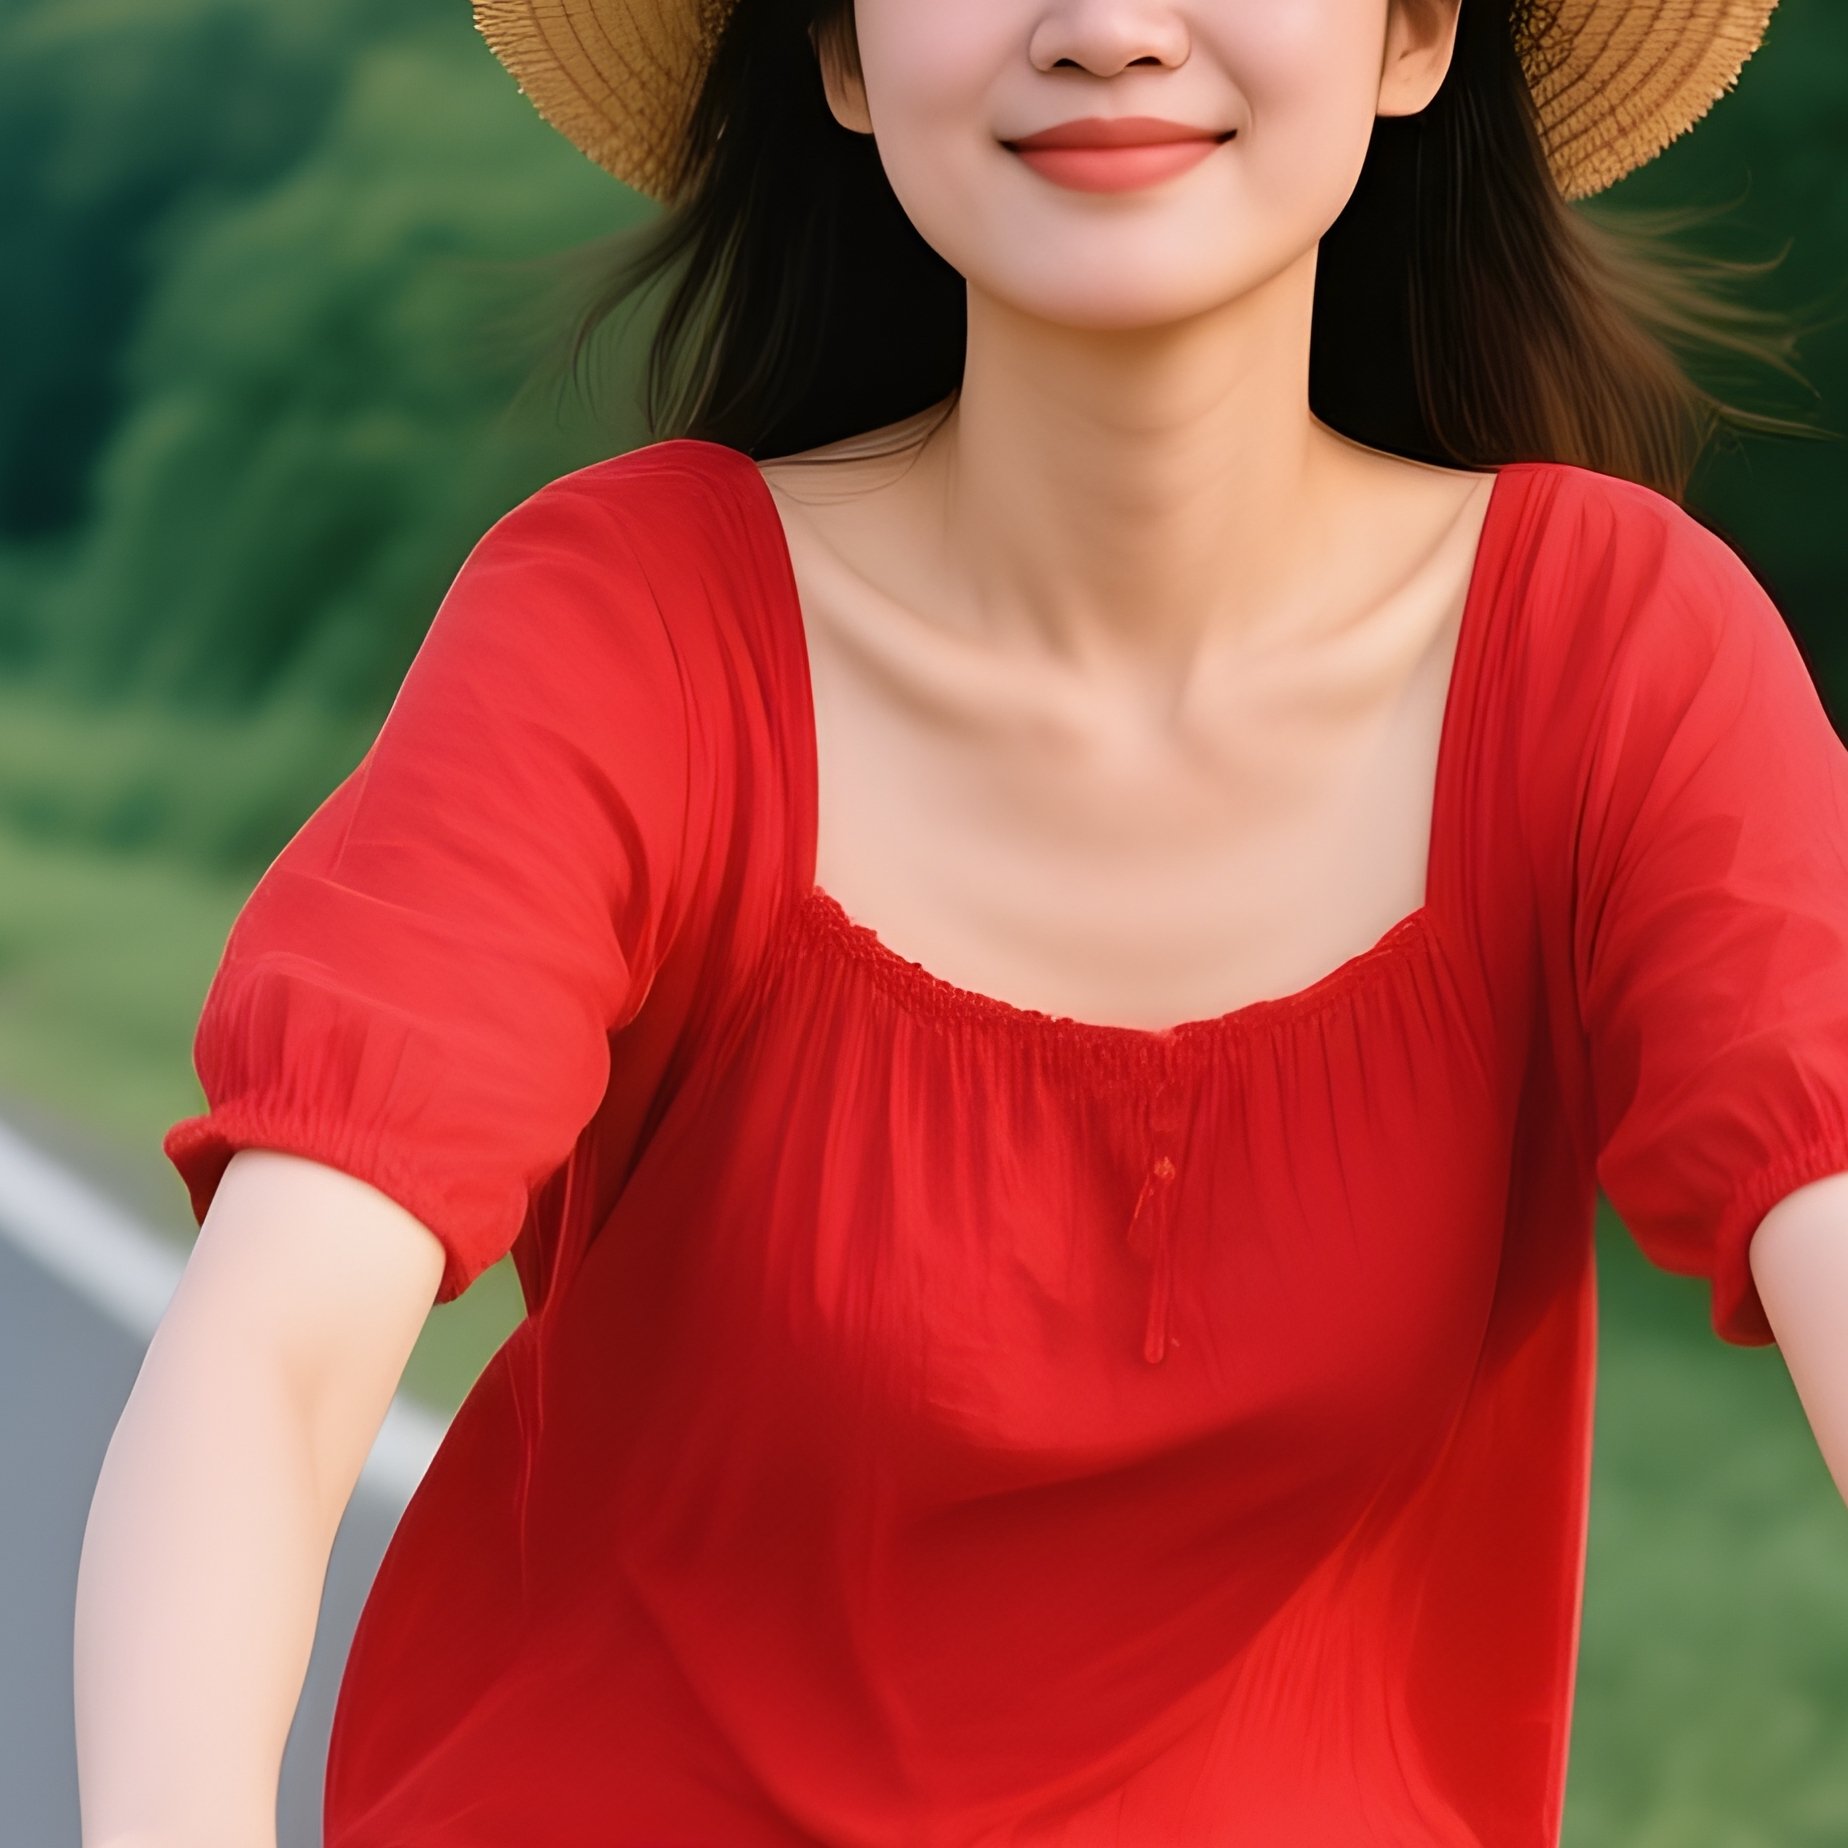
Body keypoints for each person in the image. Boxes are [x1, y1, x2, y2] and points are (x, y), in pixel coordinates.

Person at [75, 0, 1848, 1843]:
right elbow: (275, 1359)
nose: (1101, 31)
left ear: (1414, 35)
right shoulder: (628, 628)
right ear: (841, 56)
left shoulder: (1621, 660)